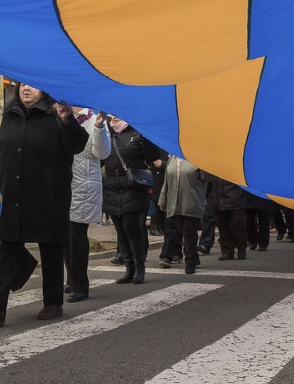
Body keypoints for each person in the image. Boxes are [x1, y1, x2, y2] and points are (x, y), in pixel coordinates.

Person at [0, 83, 87, 326]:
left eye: (32, 85)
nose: (26, 89)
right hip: (13, 196)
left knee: (51, 248)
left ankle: (53, 304)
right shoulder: (11, 116)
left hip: (49, 195)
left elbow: (77, 145)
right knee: (9, 248)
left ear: (44, 90)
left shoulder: (56, 115)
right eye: (22, 84)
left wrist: (68, 121)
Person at [101, 116, 162, 284]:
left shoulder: (137, 132)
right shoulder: (105, 133)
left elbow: (153, 156)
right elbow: (98, 158)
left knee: (131, 225)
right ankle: (129, 268)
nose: (114, 116)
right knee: (120, 229)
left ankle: (139, 265)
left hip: (133, 186)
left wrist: (146, 136)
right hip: (111, 187)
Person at [65, 108, 110, 303]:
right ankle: (71, 279)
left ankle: (80, 285)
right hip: (64, 183)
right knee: (65, 236)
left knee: (77, 236)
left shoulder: (93, 120)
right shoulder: (62, 117)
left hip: (84, 186)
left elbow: (101, 153)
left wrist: (99, 127)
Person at [157, 154, 206, 274]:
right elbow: (166, 182)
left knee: (189, 232)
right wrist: (163, 200)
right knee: (182, 231)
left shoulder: (196, 157)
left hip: (191, 202)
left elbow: (206, 178)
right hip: (175, 202)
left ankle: (190, 262)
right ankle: (194, 257)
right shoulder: (171, 159)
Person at [208, 176, 249, 259]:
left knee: (238, 225)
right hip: (219, 199)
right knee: (223, 227)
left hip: (236, 198)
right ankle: (227, 251)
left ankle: (241, 248)